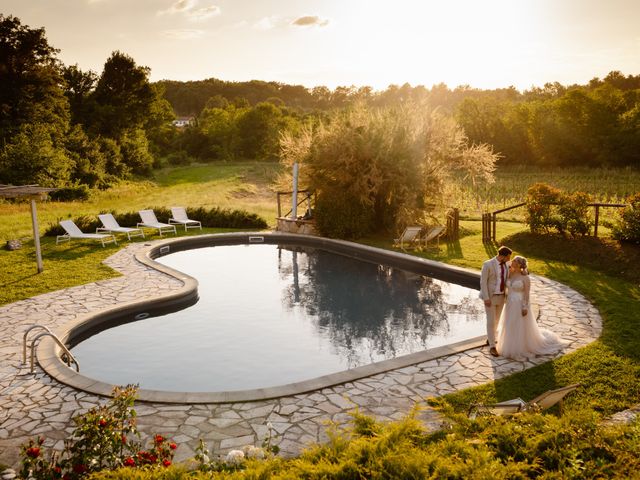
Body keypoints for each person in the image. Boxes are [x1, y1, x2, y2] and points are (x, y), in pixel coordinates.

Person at [496, 255, 565, 360]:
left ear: (519, 264)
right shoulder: (511, 274)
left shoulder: (525, 278)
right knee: (509, 324)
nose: (511, 261)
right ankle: (508, 345)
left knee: (519, 326)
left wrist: (525, 307)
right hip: (509, 304)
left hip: (519, 304)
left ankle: (520, 348)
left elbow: (527, 294)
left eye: (514, 261)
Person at [480, 246, 512, 357]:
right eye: (508, 257)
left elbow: (519, 269)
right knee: (491, 321)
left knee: (497, 321)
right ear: (502, 256)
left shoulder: (507, 264)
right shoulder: (488, 264)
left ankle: (490, 338)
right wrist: (486, 298)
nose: (509, 259)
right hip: (490, 297)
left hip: (502, 297)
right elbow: (483, 282)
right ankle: (492, 346)